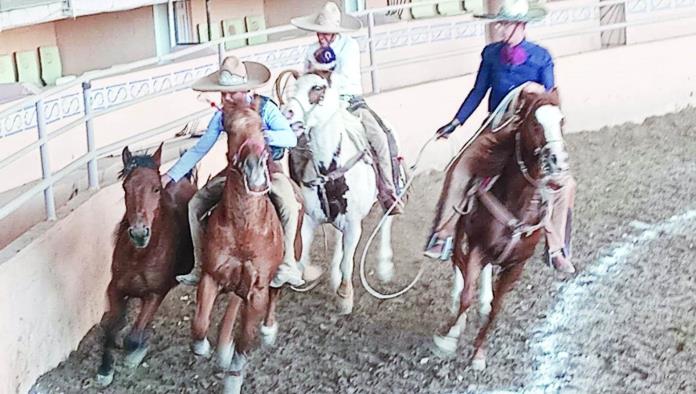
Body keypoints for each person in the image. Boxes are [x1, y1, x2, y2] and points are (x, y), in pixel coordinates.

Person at [423, 0, 576, 274]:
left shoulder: (541, 57)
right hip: (496, 127)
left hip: (529, 132)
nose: (501, 29)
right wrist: (457, 121)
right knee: (459, 169)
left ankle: (556, 248)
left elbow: (550, 98)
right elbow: (478, 91)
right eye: (500, 23)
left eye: (506, 24)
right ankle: (443, 233)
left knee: (564, 184)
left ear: (521, 26)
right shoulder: (491, 55)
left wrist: (535, 93)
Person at [162, 56, 320, 288]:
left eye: (231, 92)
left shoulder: (266, 109)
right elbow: (200, 148)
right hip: (234, 172)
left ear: (245, 89)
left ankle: (288, 263)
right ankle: (198, 265)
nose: (226, 97)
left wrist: (261, 135)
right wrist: (171, 175)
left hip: (268, 170)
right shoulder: (221, 116)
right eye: (223, 93)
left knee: (290, 203)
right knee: (196, 204)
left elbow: (289, 137)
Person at [291, 1, 405, 215]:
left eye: (326, 33)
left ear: (336, 32)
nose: (322, 37)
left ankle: (388, 189)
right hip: (319, 105)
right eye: (319, 33)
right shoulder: (310, 50)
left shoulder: (349, 46)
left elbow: (344, 78)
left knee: (380, 136)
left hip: (349, 102)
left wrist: (322, 78)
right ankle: (298, 191)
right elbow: (306, 77)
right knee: (296, 142)